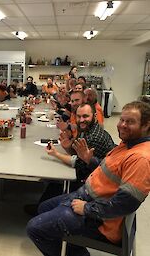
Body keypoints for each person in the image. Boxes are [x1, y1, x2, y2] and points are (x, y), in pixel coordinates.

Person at [27, 101, 150, 256]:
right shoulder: (128, 144)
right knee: (42, 208)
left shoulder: (141, 159)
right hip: (87, 196)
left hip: (100, 221)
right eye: (122, 120)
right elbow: (110, 173)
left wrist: (86, 208)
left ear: (146, 125)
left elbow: (124, 205)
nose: (122, 125)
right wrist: (89, 160)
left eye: (130, 122)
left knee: (34, 228)